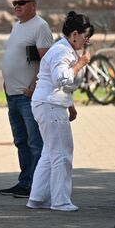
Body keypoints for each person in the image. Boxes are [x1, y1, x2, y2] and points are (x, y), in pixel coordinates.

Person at [26, 11, 92, 212]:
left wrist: (70, 105)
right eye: (85, 36)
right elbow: (60, 79)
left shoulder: (63, 49)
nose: (85, 41)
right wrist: (80, 64)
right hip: (50, 106)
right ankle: (60, 201)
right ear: (74, 34)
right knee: (62, 153)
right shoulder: (62, 51)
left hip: (49, 104)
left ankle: (37, 198)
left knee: (50, 152)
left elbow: (60, 85)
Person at [0, 0, 53, 198]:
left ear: (33, 4)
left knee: (34, 142)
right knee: (20, 141)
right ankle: (25, 182)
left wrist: (33, 85)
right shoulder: (17, 26)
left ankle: (37, 186)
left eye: (21, 3)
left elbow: (45, 61)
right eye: (14, 3)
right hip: (12, 94)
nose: (17, 7)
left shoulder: (40, 27)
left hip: (28, 95)